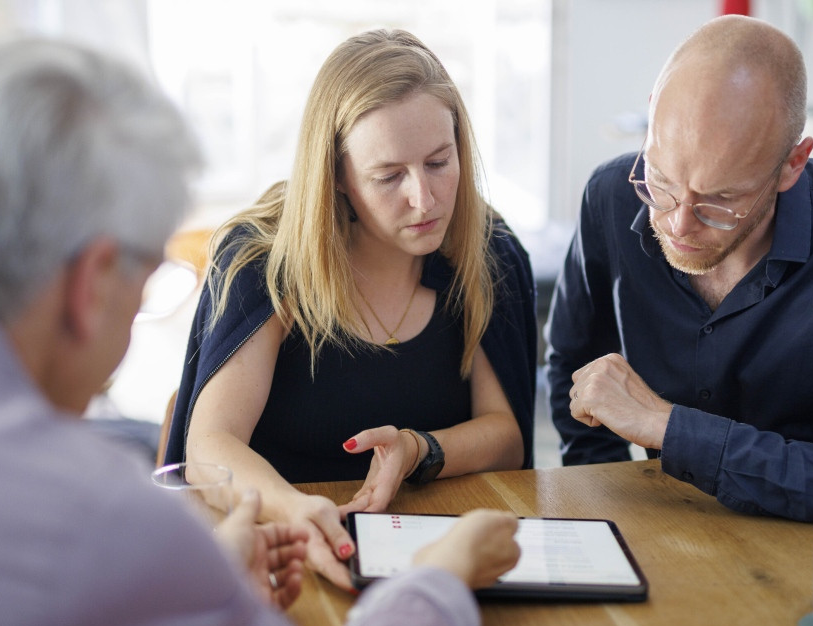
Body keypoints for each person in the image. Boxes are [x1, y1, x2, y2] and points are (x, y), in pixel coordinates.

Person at [0, 38, 521, 626]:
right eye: (150, 277)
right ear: (92, 285)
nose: (421, 196)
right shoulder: (106, 527)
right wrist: (437, 577)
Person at [545, 16, 813, 583]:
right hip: (671, 550)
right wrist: (610, 517)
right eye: (661, 181)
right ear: (651, 118)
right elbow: (574, 375)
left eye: (720, 200)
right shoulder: (611, 199)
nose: (678, 223)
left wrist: (672, 430)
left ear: (793, 162)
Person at [165, 29, 537, 589]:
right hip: (277, 550)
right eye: (388, 176)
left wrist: (419, 448)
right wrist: (294, 510)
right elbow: (209, 448)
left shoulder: (490, 254)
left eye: (440, 162)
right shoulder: (265, 259)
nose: (424, 199)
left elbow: (507, 438)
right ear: (336, 177)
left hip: (438, 547)